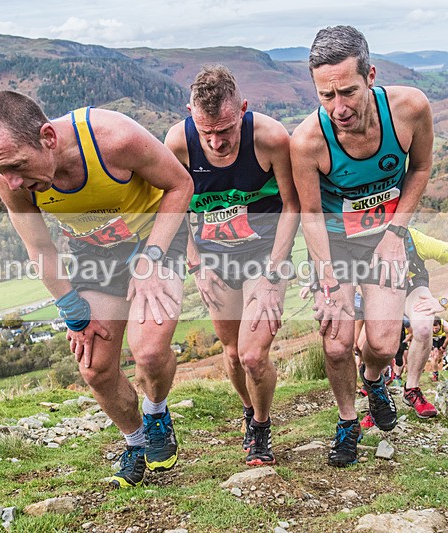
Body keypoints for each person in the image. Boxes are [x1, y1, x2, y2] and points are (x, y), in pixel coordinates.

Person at [0, 90, 193, 488]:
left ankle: (156, 412)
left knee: (149, 350)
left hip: (155, 237)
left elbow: (180, 185)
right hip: (96, 253)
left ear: (48, 137)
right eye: (1, 171)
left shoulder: (115, 139)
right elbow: (40, 247)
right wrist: (74, 313)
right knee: (94, 367)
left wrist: (152, 260)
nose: (12, 181)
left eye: (17, 165)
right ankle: (135, 442)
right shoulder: (10, 180)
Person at [291, 25, 433, 467]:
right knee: (336, 344)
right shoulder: (308, 141)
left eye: (348, 92)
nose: (339, 107)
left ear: (370, 75)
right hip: (334, 245)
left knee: (385, 345)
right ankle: (348, 421)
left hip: (385, 240)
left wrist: (395, 234)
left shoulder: (410, 109)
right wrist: (328, 283)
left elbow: (421, 168)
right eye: (326, 96)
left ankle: (373, 380)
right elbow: (310, 215)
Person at [165, 64, 299, 466]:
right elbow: (172, 207)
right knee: (233, 352)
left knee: (254, 355)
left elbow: (292, 206)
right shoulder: (178, 143)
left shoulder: (270, 138)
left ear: (242, 109)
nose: (216, 142)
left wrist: (274, 274)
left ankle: (260, 425)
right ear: (190, 114)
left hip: (263, 257)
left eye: (225, 130)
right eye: (206, 132)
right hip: (214, 261)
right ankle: (248, 408)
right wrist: (196, 265)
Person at [400, 227, 448, 417]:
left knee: (424, 328)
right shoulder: (364, 236)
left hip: (411, 288)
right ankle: (374, 391)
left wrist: (443, 301)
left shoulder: (415, 239)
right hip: (376, 291)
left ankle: (412, 388)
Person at [430, 316, 448, 382]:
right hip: (432, 338)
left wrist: (443, 348)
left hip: (442, 337)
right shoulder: (427, 326)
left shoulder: (446, 327)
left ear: (440, 325)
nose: (434, 330)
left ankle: (438, 361)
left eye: (436, 328)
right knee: (434, 356)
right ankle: (435, 375)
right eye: (433, 328)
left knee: (439, 357)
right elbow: (425, 338)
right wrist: (431, 348)